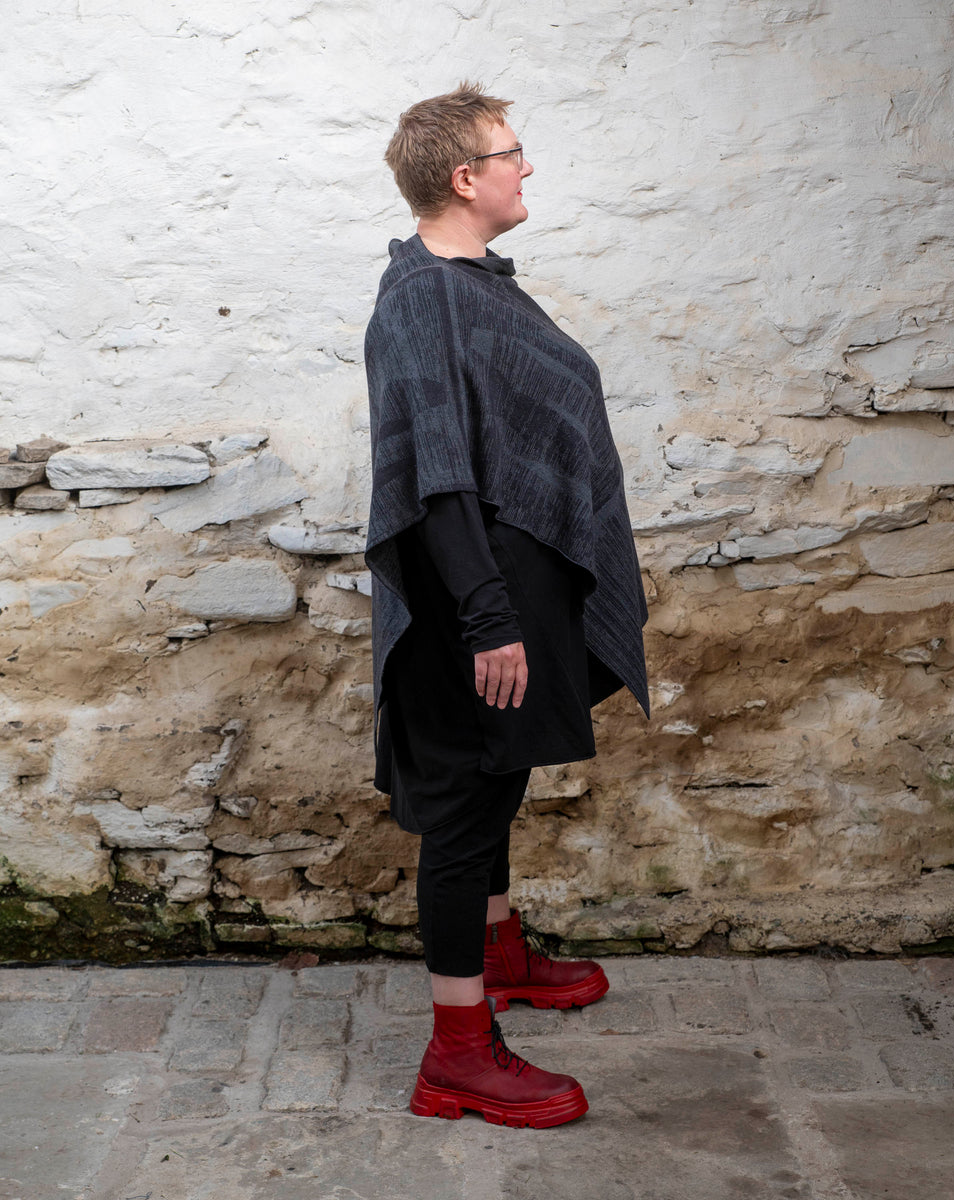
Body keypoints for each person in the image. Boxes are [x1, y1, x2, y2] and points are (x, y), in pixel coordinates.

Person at [364, 82, 649, 1129]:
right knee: (463, 812)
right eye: (514, 153)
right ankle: (458, 1055)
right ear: (464, 177)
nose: (529, 168)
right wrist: (490, 615)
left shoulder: (473, 282)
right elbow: (438, 476)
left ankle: (501, 955)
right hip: (469, 596)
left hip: (506, 583)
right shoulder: (425, 298)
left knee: (500, 784)